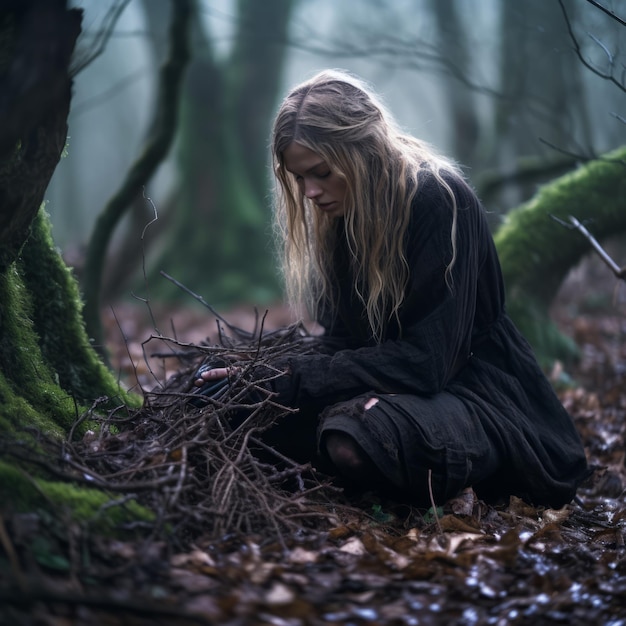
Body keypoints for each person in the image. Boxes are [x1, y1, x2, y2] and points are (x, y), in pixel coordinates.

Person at [195, 69, 589, 508]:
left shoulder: (439, 199)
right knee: (226, 401)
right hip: (390, 385)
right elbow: (340, 343)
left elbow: (429, 363)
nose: (309, 192)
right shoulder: (341, 218)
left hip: (473, 393)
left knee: (354, 439)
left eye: (321, 173)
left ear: (360, 152)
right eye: (300, 178)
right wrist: (263, 381)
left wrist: (296, 382)